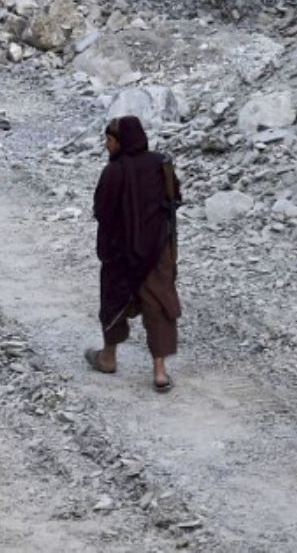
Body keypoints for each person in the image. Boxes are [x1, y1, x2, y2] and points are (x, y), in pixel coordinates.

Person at [87, 115, 183, 392]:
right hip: (156, 249)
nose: (106, 145)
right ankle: (160, 372)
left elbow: (101, 211)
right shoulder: (160, 164)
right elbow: (174, 197)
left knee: (114, 301)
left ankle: (108, 357)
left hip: (120, 253)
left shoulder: (113, 172)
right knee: (159, 305)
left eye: (109, 139)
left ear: (120, 141)